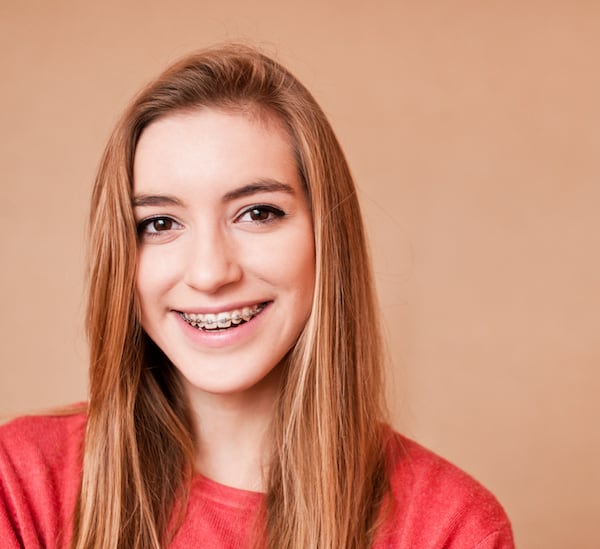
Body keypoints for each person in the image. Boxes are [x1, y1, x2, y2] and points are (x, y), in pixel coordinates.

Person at [0, 44, 514, 548]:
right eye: (159, 223)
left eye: (258, 212)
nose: (209, 273)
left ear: (326, 239)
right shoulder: (20, 485)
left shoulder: (452, 528)